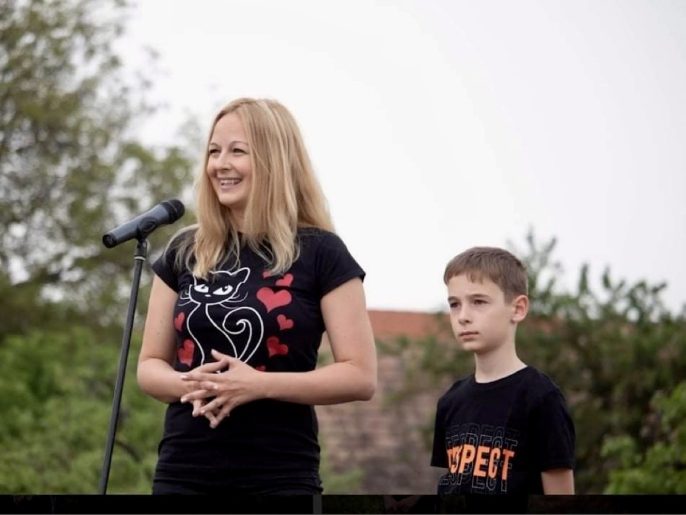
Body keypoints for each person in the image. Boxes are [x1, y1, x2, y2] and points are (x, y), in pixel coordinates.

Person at [137, 97, 377, 495]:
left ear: (273, 161)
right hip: (182, 472)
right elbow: (149, 366)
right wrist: (193, 384)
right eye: (214, 151)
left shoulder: (322, 252)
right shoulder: (184, 250)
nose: (220, 164)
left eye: (237, 151)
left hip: (279, 475)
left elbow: (359, 376)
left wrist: (258, 385)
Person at [430, 247, 575, 502]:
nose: (463, 317)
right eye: (454, 304)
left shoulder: (541, 398)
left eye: (478, 302)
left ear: (518, 308)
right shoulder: (450, 401)